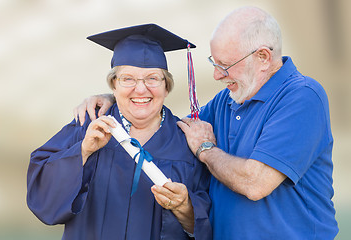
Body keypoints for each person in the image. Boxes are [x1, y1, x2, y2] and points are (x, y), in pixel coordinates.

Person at [74, 7, 338, 239]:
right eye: (214, 62)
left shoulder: (302, 97)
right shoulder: (227, 100)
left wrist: (206, 149)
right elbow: (170, 127)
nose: (216, 74)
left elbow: (255, 183)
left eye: (225, 65)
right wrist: (124, 95)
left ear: (263, 58)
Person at [27, 24, 212, 240]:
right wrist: (83, 151)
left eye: (152, 78)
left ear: (166, 87)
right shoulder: (88, 126)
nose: (141, 89)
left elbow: (212, 223)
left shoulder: (187, 143)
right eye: (128, 79)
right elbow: (43, 199)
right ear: (114, 85)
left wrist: (185, 208)